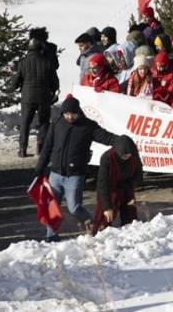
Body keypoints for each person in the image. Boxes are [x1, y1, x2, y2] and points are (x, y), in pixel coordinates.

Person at [34, 95, 117, 241]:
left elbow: (107, 137)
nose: (69, 117)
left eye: (72, 114)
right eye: (66, 114)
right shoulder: (57, 123)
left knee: (74, 207)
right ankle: (51, 236)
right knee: (52, 206)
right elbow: (47, 147)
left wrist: (122, 141)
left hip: (75, 175)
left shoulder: (88, 126)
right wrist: (39, 169)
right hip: (55, 174)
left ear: (78, 112)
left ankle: (91, 223)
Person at [10, 36, 59, 157]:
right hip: (44, 97)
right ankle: (41, 148)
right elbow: (55, 83)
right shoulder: (47, 63)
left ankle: (22, 149)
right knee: (43, 122)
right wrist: (52, 91)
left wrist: (12, 77)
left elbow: (15, 83)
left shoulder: (23, 63)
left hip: (27, 97)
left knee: (25, 123)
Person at [92, 135, 142, 234]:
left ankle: (130, 237)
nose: (127, 157)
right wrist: (107, 207)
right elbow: (102, 184)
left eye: (128, 155)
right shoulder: (107, 158)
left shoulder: (133, 155)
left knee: (131, 220)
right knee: (104, 220)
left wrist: (130, 186)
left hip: (127, 189)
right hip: (110, 191)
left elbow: (139, 174)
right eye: (124, 155)